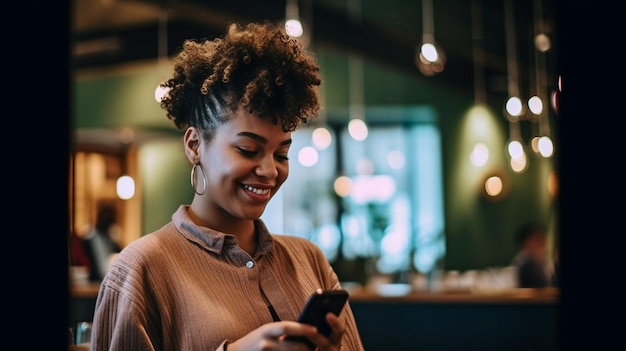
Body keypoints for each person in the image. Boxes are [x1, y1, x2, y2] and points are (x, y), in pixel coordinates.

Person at [91, 21, 364, 351]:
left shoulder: (309, 261)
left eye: (282, 153)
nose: (269, 170)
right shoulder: (142, 270)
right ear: (195, 145)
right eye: (248, 150)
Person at [82, 204, 122, 282]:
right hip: (93, 282)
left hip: (109, 281)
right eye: (105, 218)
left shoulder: (112, 240)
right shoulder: (89, 238)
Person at [511, 221, 555, 288]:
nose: (542, 243)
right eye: (537, 239)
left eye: (542, 238)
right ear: (526, 243)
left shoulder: (543, 260)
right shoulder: (525, 263)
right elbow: (542, 285)